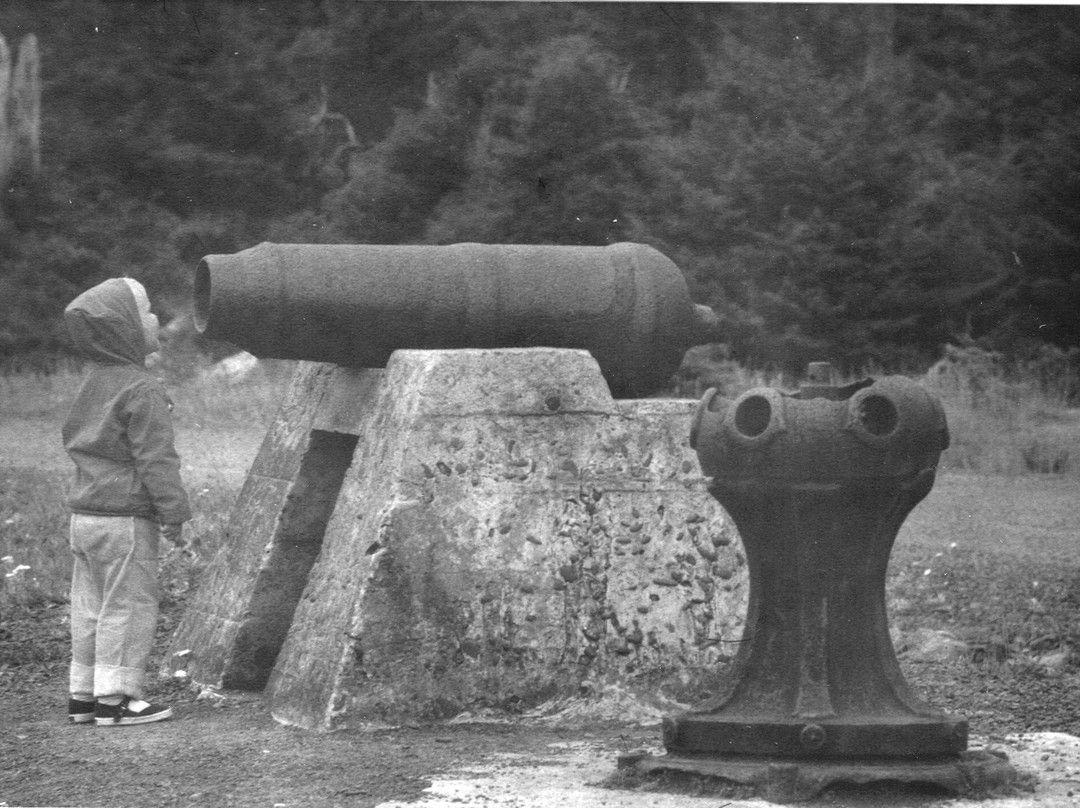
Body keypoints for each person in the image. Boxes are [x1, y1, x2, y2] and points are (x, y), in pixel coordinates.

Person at [61, 277, 191, 726]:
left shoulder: (91, 383)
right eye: (147, 311)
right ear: (126, 329)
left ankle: (83, 695)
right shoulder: (142, 388)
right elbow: (156, 459)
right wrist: (174, 513)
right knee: (128, 606)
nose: (156, 318)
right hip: (125, 520)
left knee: (90, 607)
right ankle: (116, 701)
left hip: (84, 515)